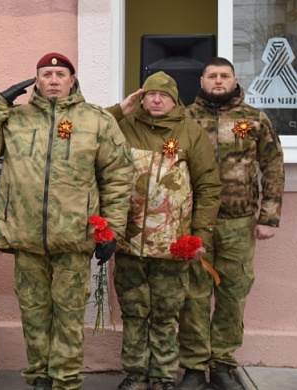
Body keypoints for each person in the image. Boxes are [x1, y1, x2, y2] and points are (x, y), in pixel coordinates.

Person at [0, 53, 132, 390]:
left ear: (73, 79)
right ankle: (40, 376)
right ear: (35, 81)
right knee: (34, 313)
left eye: (60, 73)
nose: (53, 79)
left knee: (69, 316)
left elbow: (117, 175)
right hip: (26, 237)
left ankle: (66, 381)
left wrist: (111, 228)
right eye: (46, 74)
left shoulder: (96, 120)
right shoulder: (16, 118)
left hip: (75, 237)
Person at [104, 72, 221, 390]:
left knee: (167, 312)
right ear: (140, 98)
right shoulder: (123, 126)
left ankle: (163, 375)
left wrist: (200, 237)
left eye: (164, 95)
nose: (156, 100)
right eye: (150, 95)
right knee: (134, 309)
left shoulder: (190, 131)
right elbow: (90, 132)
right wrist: (118, 110)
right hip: (129, 242)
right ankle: (136, 374)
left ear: (174, 100)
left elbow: (208, 185)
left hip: (173, 245)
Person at [178, 58, 284, 390]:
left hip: (239, 223)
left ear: (235, 79)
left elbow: (274, 165)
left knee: (232, 294)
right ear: (202, 80)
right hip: (195, 224)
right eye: (213, 76)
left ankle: (222, 364)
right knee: (193, 295)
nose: (219, 80)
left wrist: (268, 216)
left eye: (225, 75)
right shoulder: (185, 118)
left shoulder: (254, 119)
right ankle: (194, 367)